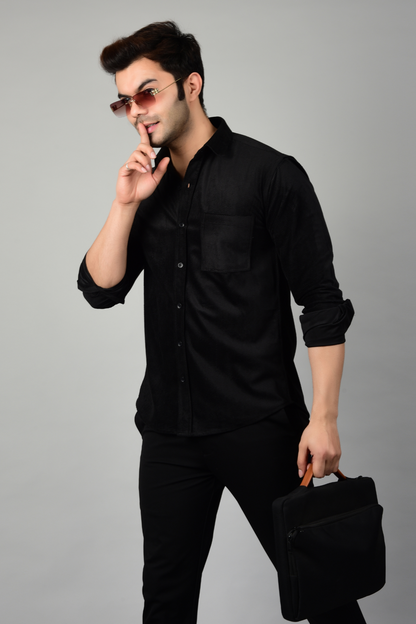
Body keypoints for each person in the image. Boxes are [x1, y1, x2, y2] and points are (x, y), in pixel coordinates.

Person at [78, 20, 365, 624]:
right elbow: (100, 290)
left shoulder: (271, 175)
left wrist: (324, 419)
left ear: (192, 85)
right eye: (124, 101)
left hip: (259, 424)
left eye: (148, 93)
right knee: (166, 601)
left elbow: (321, 303)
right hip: (168, 431)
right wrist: (124, 202)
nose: (135, 112)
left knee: (325, 593)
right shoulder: (146, 187)